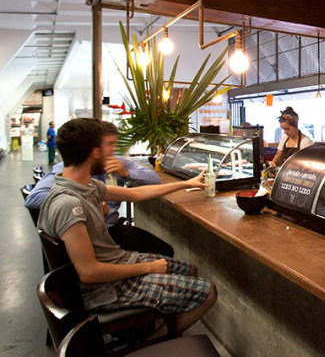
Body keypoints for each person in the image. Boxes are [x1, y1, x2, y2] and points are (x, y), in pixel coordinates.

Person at [37, 118, 216, 334]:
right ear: (94, 153)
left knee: (190, 270)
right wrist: (149, 268)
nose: (111, 154)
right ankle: (157, 343)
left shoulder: (85, 185)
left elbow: (134, 193)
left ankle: (164, 327)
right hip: (105, 288)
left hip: (116, 265)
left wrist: (186, 183)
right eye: (107, 148)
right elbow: (89, 273)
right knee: (209, 292)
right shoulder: (69, 204)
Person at [26, 121, 173, 257]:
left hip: (111, 229)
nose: (110, 150)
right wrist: (88, 203)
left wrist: (127, 173)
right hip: (91, 236)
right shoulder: (70, 170)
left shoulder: (116, 165)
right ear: (94, 149)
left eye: (113, 144)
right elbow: (33, 198)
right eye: (107, 144)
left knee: (164, 250)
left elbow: (148, 183)